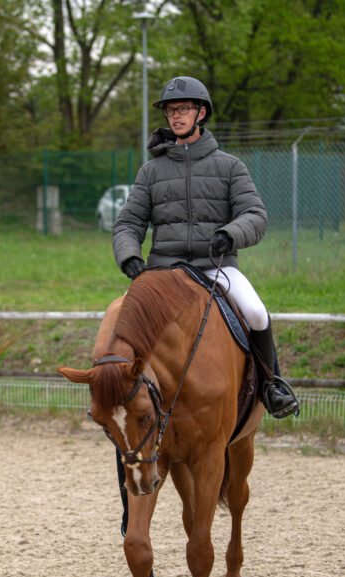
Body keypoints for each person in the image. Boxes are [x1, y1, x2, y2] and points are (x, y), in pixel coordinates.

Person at [112, 76, 298, 419]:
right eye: (170, 110)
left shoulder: (230, 167)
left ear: (201, 113)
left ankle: (272, 386)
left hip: (216, 265)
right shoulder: (150, 172)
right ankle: (112, 390)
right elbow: (128, 223)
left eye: (183, 109)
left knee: (256, 312)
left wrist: (230, 233)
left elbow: (255, 214)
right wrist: (129, 257)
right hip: (164, 270)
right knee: (118, 318)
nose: (176, 116)